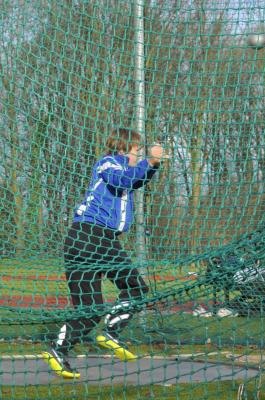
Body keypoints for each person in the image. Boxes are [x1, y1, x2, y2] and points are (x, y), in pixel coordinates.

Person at [41, 128, 163, 379]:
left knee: (91, 308)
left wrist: (152, 165)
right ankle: (110, 332)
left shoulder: (128, 171)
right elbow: (124, 180)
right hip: (91, 236)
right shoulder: (108, 163)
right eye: (137, 150)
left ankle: (58, 350)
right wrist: (150, 161)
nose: (139, 154)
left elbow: (136, 180)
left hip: (87, 240)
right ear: (123, 148)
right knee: (136, 288)